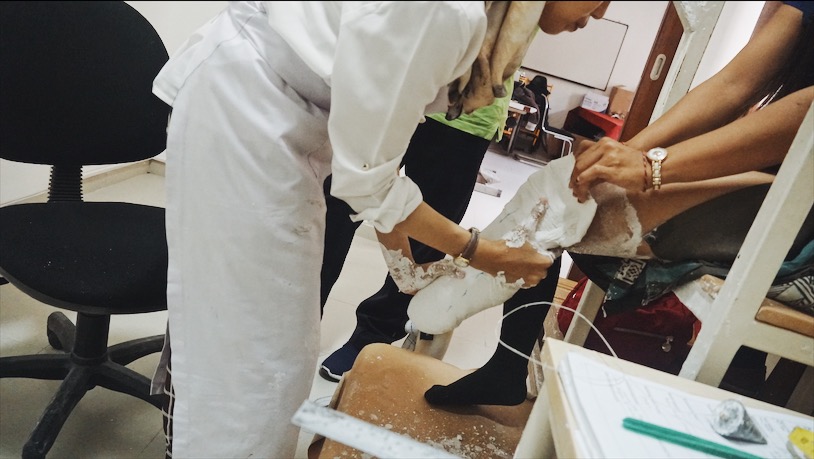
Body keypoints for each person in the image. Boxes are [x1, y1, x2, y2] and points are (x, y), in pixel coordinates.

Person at [150, 1, 612, 457]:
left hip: (293, 115)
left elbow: (382, 146)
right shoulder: (447, 12)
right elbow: (369, 179)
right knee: (244, 338)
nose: (600, 15)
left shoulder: (475, 17)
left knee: (267, 338)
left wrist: (405, 256)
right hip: (246, 108)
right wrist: (482, 254)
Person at [421, 0, 813, 407]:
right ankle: (505, 367)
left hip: (804, 185)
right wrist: (624, 152)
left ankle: (735, 391)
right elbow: (735, 83)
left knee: (578, 210)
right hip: (780, 166)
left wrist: (651, 168)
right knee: (563, 187)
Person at [318, 79, 512, 382]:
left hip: (465, 113)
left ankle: (375, 333)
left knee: (426, 235)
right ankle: (299, 314)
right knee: (335, 210)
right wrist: (477, 252)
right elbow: (367, 187)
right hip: (395, 90)